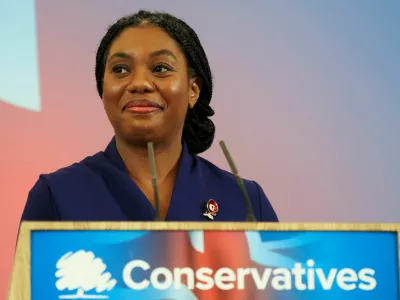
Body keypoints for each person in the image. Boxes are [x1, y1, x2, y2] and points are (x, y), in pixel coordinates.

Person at [21, 10, 278, 222]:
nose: (139, 83)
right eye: (120, 69)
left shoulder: (245, 199)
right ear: (103, 89)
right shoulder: (57, 194)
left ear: (193, 90)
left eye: (160, 68)